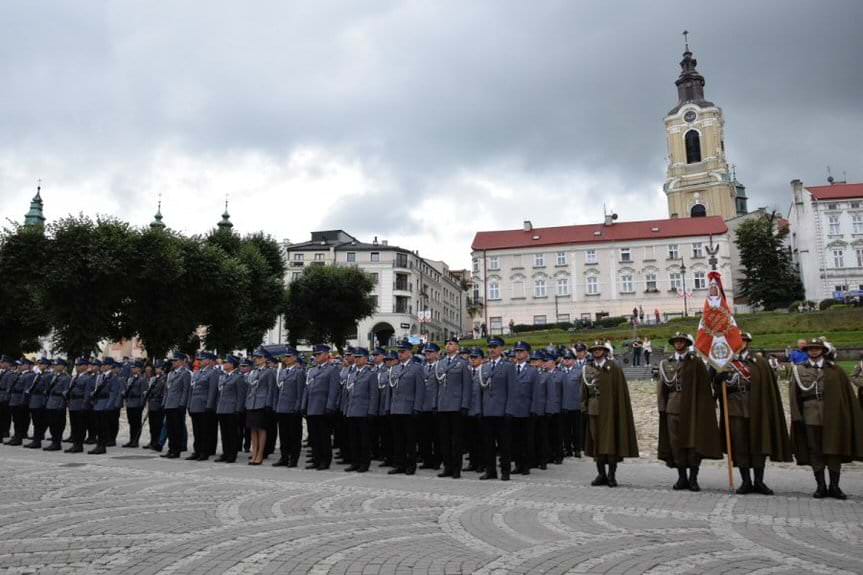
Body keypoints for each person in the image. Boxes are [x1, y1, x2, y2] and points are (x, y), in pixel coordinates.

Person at [714, 333, 792, 495]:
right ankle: (746, 481)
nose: (740, 343)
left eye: (743, 341)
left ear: (747, 343)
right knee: (740, 445)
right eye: (736, 340)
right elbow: (717, 390)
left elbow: (767, 387)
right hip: (735, 407)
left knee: (759, 443)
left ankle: (759, 481)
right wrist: (718, 379)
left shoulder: (760, 362)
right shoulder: (725, 362)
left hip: (756, 407)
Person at [789, 338, 863, 499]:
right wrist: (797, 417)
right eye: (811, 349)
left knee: (833, 450)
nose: (814, 351)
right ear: (806, 351)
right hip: (810, 415)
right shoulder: (799, 370)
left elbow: (845, 395)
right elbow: (794, 396)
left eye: (817, 348)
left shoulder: (835, 370)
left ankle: (835, 486)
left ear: (823, 350)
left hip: (833, 416)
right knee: (815, 450)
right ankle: (821, 486)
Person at [657, 332, 722, 491]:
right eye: (677, 342)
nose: (679, 344)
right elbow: (662, 388)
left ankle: (693, 479)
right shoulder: (666, 363)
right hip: (673, 408)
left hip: (692, 408)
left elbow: (704, 386)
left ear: (687, 344)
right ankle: (682, 478)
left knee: (693, 443)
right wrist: (662, 407)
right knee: (676, 443)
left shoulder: (696, 362)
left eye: (682, 342)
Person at [582, 341, 639, 487]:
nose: (597, 352)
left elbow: (620, 390)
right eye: (594, 350)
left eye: (600, 349)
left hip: (611, 410)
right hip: (594, 410)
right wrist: (584, 408)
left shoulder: (614, 367)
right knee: (597, 442)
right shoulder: (587, 369)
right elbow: (584, 392)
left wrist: (619, 409)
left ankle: (611, 475)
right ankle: (601, 474)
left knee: (611, 442)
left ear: (605, 351)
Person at [435, 337, 472, 479]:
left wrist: (464, 405)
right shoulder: (441, 363)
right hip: (443, 405)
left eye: (451, 343)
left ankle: (456, 469)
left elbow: (467, 386)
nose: (448, 345)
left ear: (457, 347)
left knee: (456, 440)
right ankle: (447, 467)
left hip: (456, 406)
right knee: (444, 439)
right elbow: (438, 386)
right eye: (447, 343)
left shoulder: (462, 363)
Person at [479, 337, 514, 481]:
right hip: (487, 411)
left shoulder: (508, 366)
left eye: (495, 347)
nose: (492, 350)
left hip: (502, 411)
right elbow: (481, 391)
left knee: (504, 444)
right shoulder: (485, 366)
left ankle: (505, 471)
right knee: (488, 444)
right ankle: (490, 470)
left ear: (501, 349)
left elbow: (512, 390)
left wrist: (509, 410)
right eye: (490, 347)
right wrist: (481, 409)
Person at [388, 341, 424, 475]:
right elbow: (391, 390)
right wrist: (389, 407)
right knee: (398, 439)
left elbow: (420, 390)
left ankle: (410, 465)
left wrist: (417, 408)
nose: (400, 354)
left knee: (410, 440)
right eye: (399, 352)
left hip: (409, 408)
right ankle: (399, 464)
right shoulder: (396, 368)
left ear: (410, 353)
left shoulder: (416, 368)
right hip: (396, 407)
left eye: (403, 352)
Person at [344, 347, 377, 472]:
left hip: (364, 412)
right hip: (352, 411)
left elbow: (374, 395)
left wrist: (371, 411)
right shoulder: (352, 374)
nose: (356, 359)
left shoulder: (370, 374)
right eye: (355, 357)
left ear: (365, 359)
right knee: (353, 439)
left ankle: (364, 463)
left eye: (359, 357)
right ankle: (355, 462)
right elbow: (348, 393)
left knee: (364, 440)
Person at [273, 346, 305, 468]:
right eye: (285, 357)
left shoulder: (299, 372)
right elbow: (279, 391)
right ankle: (284, 457)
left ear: (295, 358)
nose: (286, 359)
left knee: (294, 435)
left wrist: (297, 408)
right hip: (282, 408)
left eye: (288, 356)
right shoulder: (283, 372)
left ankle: (294, 458)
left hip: (292, 408)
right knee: (283, 434)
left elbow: (300, 392)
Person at [245, 347, 276, 466]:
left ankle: (260, 454)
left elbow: (270, 389)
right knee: (253, 429)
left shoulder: (269, 372)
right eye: (256, 357)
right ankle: (254, 453)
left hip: (262, 403)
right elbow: (249, 388)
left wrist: (268, 404)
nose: (256, 359)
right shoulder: (254, 372)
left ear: (265, 359)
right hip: (252, 403)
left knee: (261, 429)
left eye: (259, 357)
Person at [186, 352, 220, 461]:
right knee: (196, 430)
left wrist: (209, 406)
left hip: (204, 405)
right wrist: (189, 405)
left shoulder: (213, 373)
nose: (200, 361)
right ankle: (197, 450)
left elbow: (212, 390)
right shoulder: (197, 373)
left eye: (203, 359)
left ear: (209, 361)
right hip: (195, 405)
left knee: (205, 430)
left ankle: (204, 452)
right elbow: (192, 390)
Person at [509, 341, 536, 475]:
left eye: (521, 351)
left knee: (526, 440)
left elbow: (535, 393)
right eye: (517, 351)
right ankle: (517, 464)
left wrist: (533, 410)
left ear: (527, 354)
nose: (518, 354)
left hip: (526, 410)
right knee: (514, 440)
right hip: (512, 410)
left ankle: (526, 465)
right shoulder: (510, 369)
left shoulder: (532, 371)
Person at [161, 353, 192, 459]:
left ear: (183, 361)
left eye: (176, 360)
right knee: (170, 428)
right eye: (173, 361)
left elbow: (185, 390)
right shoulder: (171, 373)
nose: (174, 362)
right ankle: (171, 449)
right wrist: (164, 403)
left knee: (177, 429)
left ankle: (176, 450)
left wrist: (182, 404)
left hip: (177, 405)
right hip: (169, 404)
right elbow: (167, 390)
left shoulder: (185, 374)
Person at [215, 355, 245, 463]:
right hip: (222, 408)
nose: (224, 364)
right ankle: (225, 452)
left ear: (232, 365)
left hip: (232, 409)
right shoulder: (223, 377)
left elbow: (240, 395)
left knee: (232, 433)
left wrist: (238, 410)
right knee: (224, 433)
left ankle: (232, 454)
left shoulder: (238, 377)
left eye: (226, 363)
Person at [561, 345, 586, 458]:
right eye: (565, 359)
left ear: (574, 360)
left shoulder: (579, 371)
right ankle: (567, 449)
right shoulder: (559, 371)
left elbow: (583, 389)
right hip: (563, 405)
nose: (566, 361)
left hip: (576, 405)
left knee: (577, 430)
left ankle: (577, 449)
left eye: (569, 359)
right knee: (565, 430)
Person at [418, 343, 441, 470]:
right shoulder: (422, 368)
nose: (428, 354)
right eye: (426, 352)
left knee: (437, 436)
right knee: (424, 436)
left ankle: (437, 460)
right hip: (423, 406)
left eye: (431, 352)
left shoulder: (440, 367)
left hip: (436, 406)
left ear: (437, 354)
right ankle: (427, 460)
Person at [5, 358, 35, 446]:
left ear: (27, 366)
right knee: (15, 420)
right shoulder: (19, 374)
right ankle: (16, 436)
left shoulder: (29, 375)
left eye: (22, 365)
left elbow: (26, 390)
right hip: (14, 400)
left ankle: (18, 437)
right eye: (19, 365)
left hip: (20, 401)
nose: (19, 366)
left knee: (20, 420)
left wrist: (23, 402)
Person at [24, 357, 52, 449]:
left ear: (47, 365)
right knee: (36, 421)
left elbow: (47, 389)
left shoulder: (48, 375)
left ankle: (37, 440)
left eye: (41, 364)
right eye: (39, 364)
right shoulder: (38, 375)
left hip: (41, 400)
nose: (39, 365)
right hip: (34, 400)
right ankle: (36, 439)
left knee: (39, 421)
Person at [64, 358, 92, 453]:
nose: (77, 367)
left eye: (79, 365)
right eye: (76, 365)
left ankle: (79, 445)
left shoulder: (88, 378)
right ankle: (75, 444)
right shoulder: (74, 377)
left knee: (81, 426)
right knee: (74, 426)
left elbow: (87, 393)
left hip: (80, 404)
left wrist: (85, 404)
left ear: (85, 366)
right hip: (73, 404)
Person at [464, 348, 485, 473]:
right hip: (468, 409)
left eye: (475, 357)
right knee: (470, 438)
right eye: (471, 358)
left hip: (480, 409)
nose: (473, 360)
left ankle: (482, 463)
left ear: (481, 359)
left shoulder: (484, 371)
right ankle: (473, 462)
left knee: (481, 439)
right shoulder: (467, 371)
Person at [43, 359, 71, 451]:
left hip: (59, 403)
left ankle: (57, 443)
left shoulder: (66, 378)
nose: (55, 366)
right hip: (51, 402)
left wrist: (62, 405)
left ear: (63, 366)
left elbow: (66, 392)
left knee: (58, 424)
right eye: (54, 365)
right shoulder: (52, 376)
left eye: (57, 365)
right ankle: (54, 441)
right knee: (51, 423)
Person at [544, 351, 564, 465]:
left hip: (557, 408)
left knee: (557, 434)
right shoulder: (544, 374)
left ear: (552, 362)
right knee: (548, 434)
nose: (545, 363)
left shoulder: (560, 375)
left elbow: (563, 392)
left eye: (547, 361)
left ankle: (559, 455)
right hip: (546, 408)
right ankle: (550, 455)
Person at [122, 360, 147, 448]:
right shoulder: (130, 379)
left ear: (139, 369)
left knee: (136, 423)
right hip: (130, 403)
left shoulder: (142, 379)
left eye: (135, 368)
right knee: (131, 422)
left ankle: (135, 441)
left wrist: (141, 405)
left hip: (137, 403)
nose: (133, 369)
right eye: (132, 368)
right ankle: (131, 440)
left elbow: (143, 394)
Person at [143, 362, 166, 451]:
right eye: (156, 368)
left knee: (158, 425)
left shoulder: (164, 378)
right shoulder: (154, 379)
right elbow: (150, 389)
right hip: (152, 404)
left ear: (162, 369)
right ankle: (152, 441)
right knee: (152, 425)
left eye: (159, 368)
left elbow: (162, 392)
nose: (157, 370)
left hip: (159, 405)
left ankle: (157, 442)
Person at [0, 355, 14, 442]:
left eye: (2, 362)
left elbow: (9, 387)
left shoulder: (10, 373)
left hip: (5, 397)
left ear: (7, 363)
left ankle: (5, 431)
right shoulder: (3, 372)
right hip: (1, 396)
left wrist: (7, 398)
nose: (1, 364)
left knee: (5, 416)